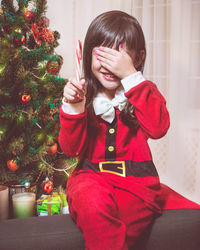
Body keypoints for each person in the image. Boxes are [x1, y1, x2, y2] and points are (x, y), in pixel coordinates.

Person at [59, 10, 170, 250]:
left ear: (138, 58)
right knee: (91, 204)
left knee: (115, 229)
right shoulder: (84, 95)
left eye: (119, 55)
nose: (109, 64)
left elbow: (158, 128)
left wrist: (130, 76)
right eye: (101, 54)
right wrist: (74, 107)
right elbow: (70, 149)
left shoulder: (143, 91)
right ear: (88, 54)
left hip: (137, 183)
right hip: (90, 178)